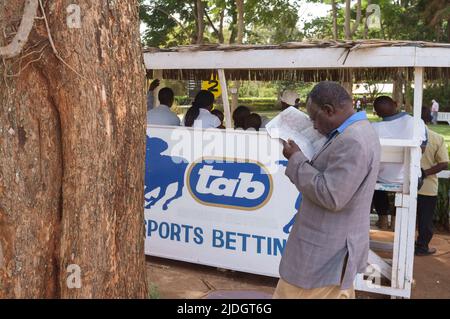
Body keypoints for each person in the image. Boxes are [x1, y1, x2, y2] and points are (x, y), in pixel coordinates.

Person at [274, 81, 380, 299]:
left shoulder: (353, 140)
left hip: (323, 255)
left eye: (314, 118)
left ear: (329, 110)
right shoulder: (357, 131)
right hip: (332, 252)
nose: (313, 126)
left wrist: (296, 160)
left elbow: (332, 196)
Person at [371, 96, 427, 229]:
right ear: (396, 104)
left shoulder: (373, 128)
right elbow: (422, 149)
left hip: (382, 178)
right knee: (419, 174)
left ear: (377, 113)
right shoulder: (417, 122)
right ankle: (397, 219)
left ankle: (383, 218)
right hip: (409, 179)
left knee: (374, 177)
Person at [416, 107, 449, 256]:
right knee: (425, 220)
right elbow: (444, 163)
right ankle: (422, 247)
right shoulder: (437, 138)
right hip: (428, 187)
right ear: (429, 118)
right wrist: (424, 174)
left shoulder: (409, 136)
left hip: (407, 185)